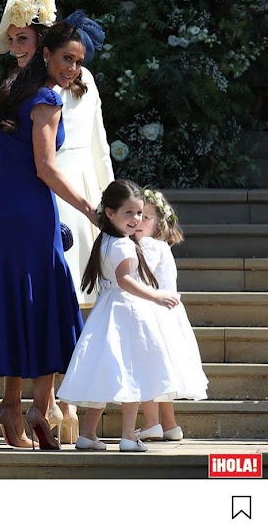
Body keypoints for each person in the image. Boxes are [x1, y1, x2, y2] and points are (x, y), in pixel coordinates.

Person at [0, 0, 113, 444]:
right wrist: (92, 209)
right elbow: (46, 168)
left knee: (21, 301)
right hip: (32, 208)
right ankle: (31, 410)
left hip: (10, 209)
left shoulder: (12, 89)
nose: (73, 68)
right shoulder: (45, 99)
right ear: (47, 53)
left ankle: (19, 407)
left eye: (78, 61)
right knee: (46, 302)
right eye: (67, 58)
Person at [57, 179, 187, 452]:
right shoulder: (124, 244)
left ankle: (88, 433)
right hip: (128, 311)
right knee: (132, 372)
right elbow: (125, 279)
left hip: (106, 311)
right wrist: (156, 295)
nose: (136, 219)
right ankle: (128, 435)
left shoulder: (106, 239)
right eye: (129, 212)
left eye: (139, 213)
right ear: (110, 213)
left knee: (104, 372)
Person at [133, 189, 208, 441]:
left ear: (159, 224)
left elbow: (139, 278)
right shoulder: (161, 246)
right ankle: (170, 424)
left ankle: (152, 422)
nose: (139, 221)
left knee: (149, 370)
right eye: (137, 215)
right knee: (162, 373)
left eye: (146, 217)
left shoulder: (148, 245)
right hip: (168, 316)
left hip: (154, 314)